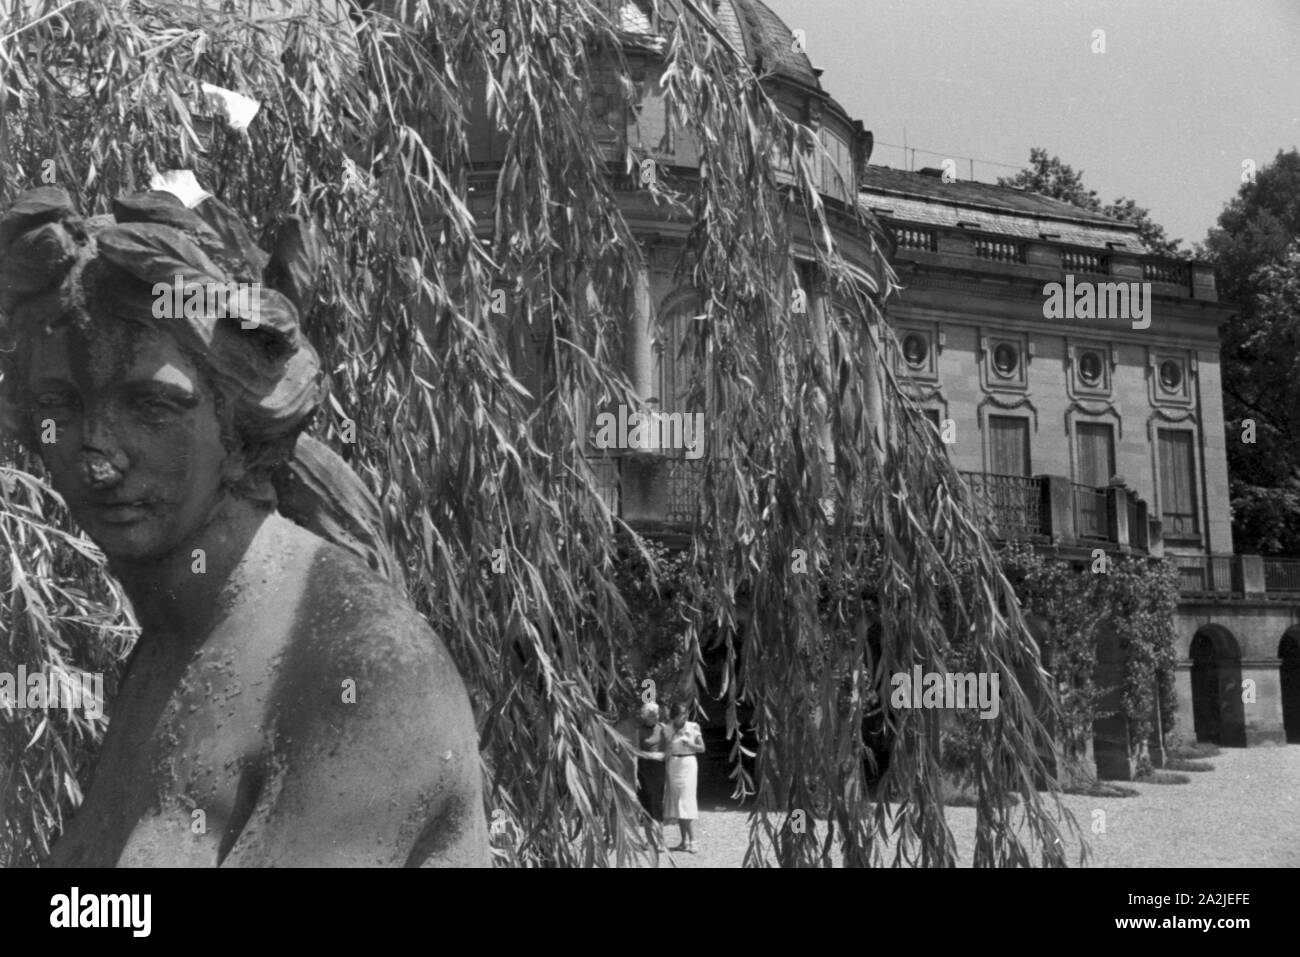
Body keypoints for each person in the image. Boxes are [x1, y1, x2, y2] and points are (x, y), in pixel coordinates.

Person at [0, 186, 490, 866]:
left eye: (151, 405)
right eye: (61, 402)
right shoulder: (171, 647)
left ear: (239, 423)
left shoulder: (364, 671)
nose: (98, 456)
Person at [663, 701, 705, 853]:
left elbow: (702, 748)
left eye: (686, 713)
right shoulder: (667, 729)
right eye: (681, 714)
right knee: (677, 803)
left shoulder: (693, 727)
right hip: (674, 764)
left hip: (688, 763)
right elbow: (665, 748)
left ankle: (693, 840)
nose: (685, 716)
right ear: (674, 716)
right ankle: (683, 841)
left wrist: (690, 744)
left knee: (686, 802)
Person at [633, 700, 668, 850]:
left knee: (657, 803)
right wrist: (648, 756)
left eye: (656, 714)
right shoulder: (638, 731)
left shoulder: (663, 728)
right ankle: (649, 839)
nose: (655, 717)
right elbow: (634, 752)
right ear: (645, 716)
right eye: (652, 715)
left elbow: (670, 748)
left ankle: (660, 840)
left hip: (659, 769)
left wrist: (663, 755)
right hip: (644, 769)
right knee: (646, 805)